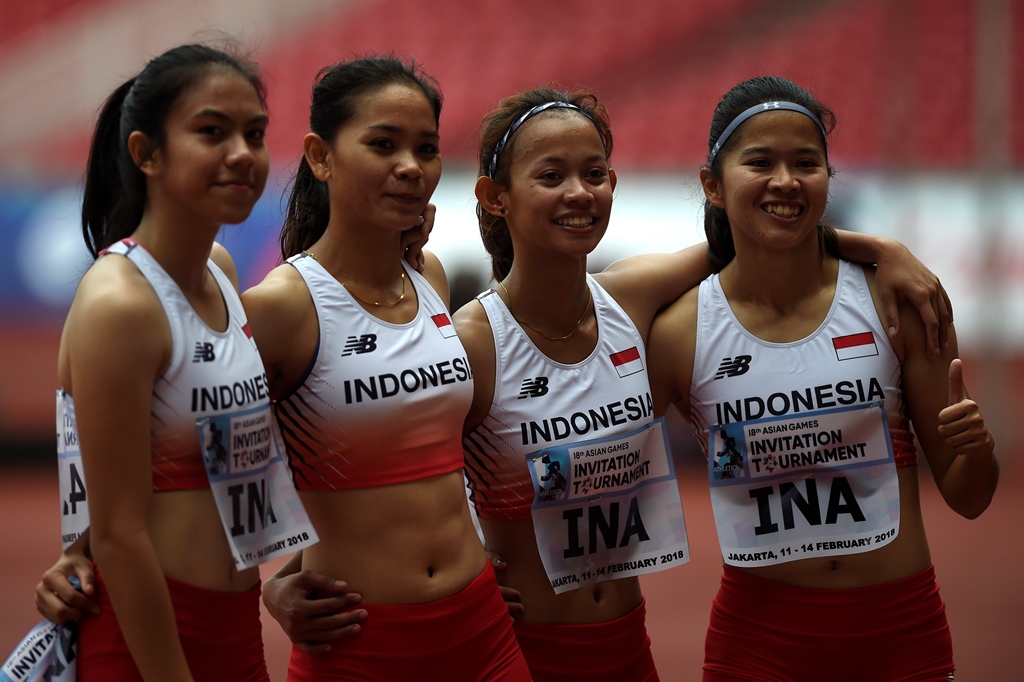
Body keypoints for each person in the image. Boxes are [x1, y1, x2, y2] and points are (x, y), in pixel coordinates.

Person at [451, 87, 960, 681]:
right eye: (551, 175)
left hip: (625, 647)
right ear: (496, 197)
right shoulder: (472, 339)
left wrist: (881, 248)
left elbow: (753, 237)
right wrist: (326, 567)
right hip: (520, 648)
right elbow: (394, 471)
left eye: (594, 173)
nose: (579, 193)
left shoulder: (630, 298)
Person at [646, 75, 998, 681]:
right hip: (757, 647)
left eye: (806, 163)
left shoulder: (898, 304)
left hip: (899, 636)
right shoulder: (680, 332)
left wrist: (977, 448)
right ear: (712, 184)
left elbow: (970, 496)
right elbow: (592, 466)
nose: (785, 181)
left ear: (828, 180)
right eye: (760, 162)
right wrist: (491, 544)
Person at [245, 55, 529, 680]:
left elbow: (396, 461)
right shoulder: (282, 307)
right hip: (357, 647)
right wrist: (266, 587)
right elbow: (205, 465)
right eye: (382, 144)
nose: (410, 167)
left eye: (425, 148)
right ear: (321, 157)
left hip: (483, 631)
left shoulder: (430, 277)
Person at [44, 43, 290, 681]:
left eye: (254, 133)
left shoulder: (222, 273)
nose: (242, 153)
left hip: (236, 632)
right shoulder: (118, 302)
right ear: (146, 153)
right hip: (150, 642)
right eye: (213, 131)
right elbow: (120, 534)